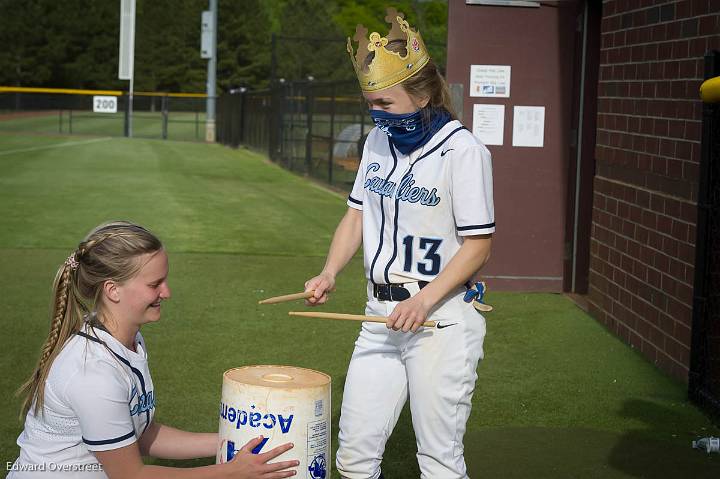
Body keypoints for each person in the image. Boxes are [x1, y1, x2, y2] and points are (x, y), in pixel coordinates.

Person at [304, 8, 495, 479]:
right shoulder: (376, 142)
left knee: (438, 458)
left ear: (424, 92)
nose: (376, 112)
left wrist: (425, 300)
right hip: (377, 317)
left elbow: (478, 246)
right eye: (370, 102)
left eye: (385, 103)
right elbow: (356, 215)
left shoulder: (463, 152)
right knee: (353, 456)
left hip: (440, 319)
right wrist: (330, 271)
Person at [9, 221, 299, 479]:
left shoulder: (126, 340)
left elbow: (142, 434)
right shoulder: (93, 374)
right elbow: (131, 474)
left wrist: (231, 442)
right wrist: (229, 473)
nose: (167, 292)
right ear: (113, 290)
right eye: (154, 284)